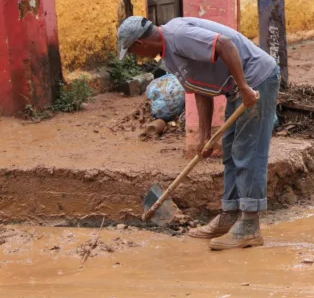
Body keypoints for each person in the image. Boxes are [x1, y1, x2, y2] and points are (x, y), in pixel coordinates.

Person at [117, 16, 280, 251]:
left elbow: (225, 44)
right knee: (231, 152)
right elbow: (199, 89)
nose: (136, 57)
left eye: (132, 51)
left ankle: (250, 226)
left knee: (248, 151)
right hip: (238, 88)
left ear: (139, 44)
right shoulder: (167, 54)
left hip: (256, 80)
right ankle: (230, 215)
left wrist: (244, 87)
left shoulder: (178, 36)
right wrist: (204, 137)